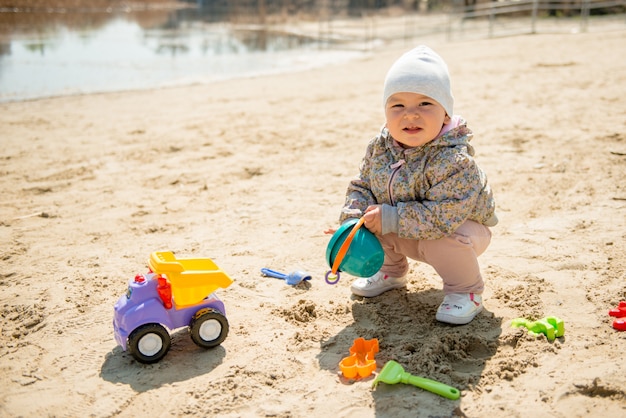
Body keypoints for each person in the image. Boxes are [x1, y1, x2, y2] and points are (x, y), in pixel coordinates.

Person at [331, 45, 497, 325]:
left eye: (424, 104)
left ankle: (466, 292)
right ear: (386, 112)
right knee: (371, 219)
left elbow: (442, 217)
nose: (410, 114)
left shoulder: (454, 160)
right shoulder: (380, 147)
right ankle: (391, 272)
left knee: (440, 237)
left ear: (445, 114)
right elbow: (362, 185)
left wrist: (390, 218)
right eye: (398, 105)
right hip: (408, 228)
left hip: (461, 231)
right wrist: (353, 218)